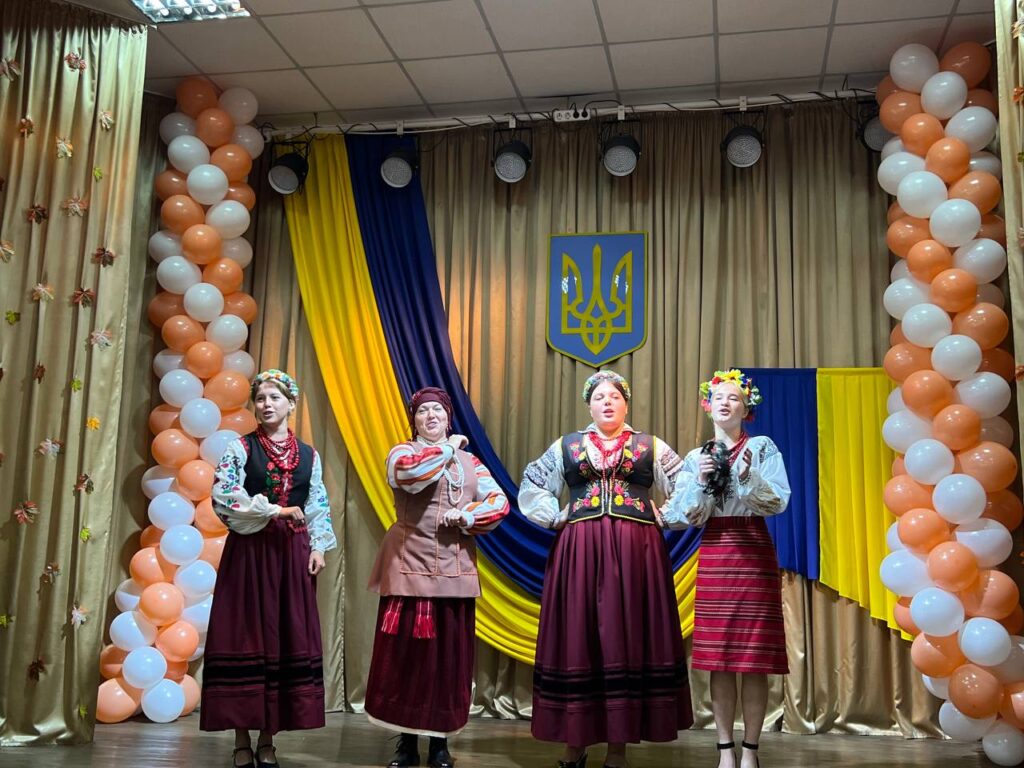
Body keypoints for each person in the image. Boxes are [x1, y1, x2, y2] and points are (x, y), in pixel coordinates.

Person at [519, 370, 693, 768]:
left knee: (625, 636)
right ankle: (574, 744)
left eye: (614, 396)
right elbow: (532, 481)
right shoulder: (567, 445)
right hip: (579, 552)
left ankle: (617, 750)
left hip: (636, 554)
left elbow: (688, 484)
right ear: (589, 406)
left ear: (626, 403)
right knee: (579, 637)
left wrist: (667, 514)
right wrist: (553, 514)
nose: (607, 402)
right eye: (599, 397)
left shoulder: (649, 445)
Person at [366, 386, 510, 768]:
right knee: (407, 660)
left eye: (438, 410)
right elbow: (412, 476)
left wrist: (468, 516)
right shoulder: (402, 452)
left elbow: (499, 502)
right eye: (423, 411)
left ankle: (439, 742)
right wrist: (448, 449)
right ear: (413, 420)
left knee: (446, 662)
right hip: (408, 567)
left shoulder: (471, 462)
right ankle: (406, 742)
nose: (431, 416)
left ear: (448, 417)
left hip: (453, 569)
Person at [201, 369, 337, 768]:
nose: (267, 404)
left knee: (282, 638)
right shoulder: (240, 448)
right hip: (251, 553)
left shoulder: (309, 454)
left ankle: (267, 739)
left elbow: (317, 503)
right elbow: (224, 496)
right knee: (247, 637)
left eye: (275, 397)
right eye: (261, 398)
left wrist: (318, 547)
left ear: (291, 404)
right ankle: (241, 739)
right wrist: (275, 510)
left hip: (291, 554)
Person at [663, 369, 791, 768]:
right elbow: (685, 516)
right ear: (708, 406)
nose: (725, 402)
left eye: (734, 397)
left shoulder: (763, 448)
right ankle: (724, 750)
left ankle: (750, 749)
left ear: (746, 408)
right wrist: (701, 483)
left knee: (753, 659)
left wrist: (749, 478)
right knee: (718, 658)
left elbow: (778, 502)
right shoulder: (695, 458)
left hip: (753, 549)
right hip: (716, 550)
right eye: (718, 397)